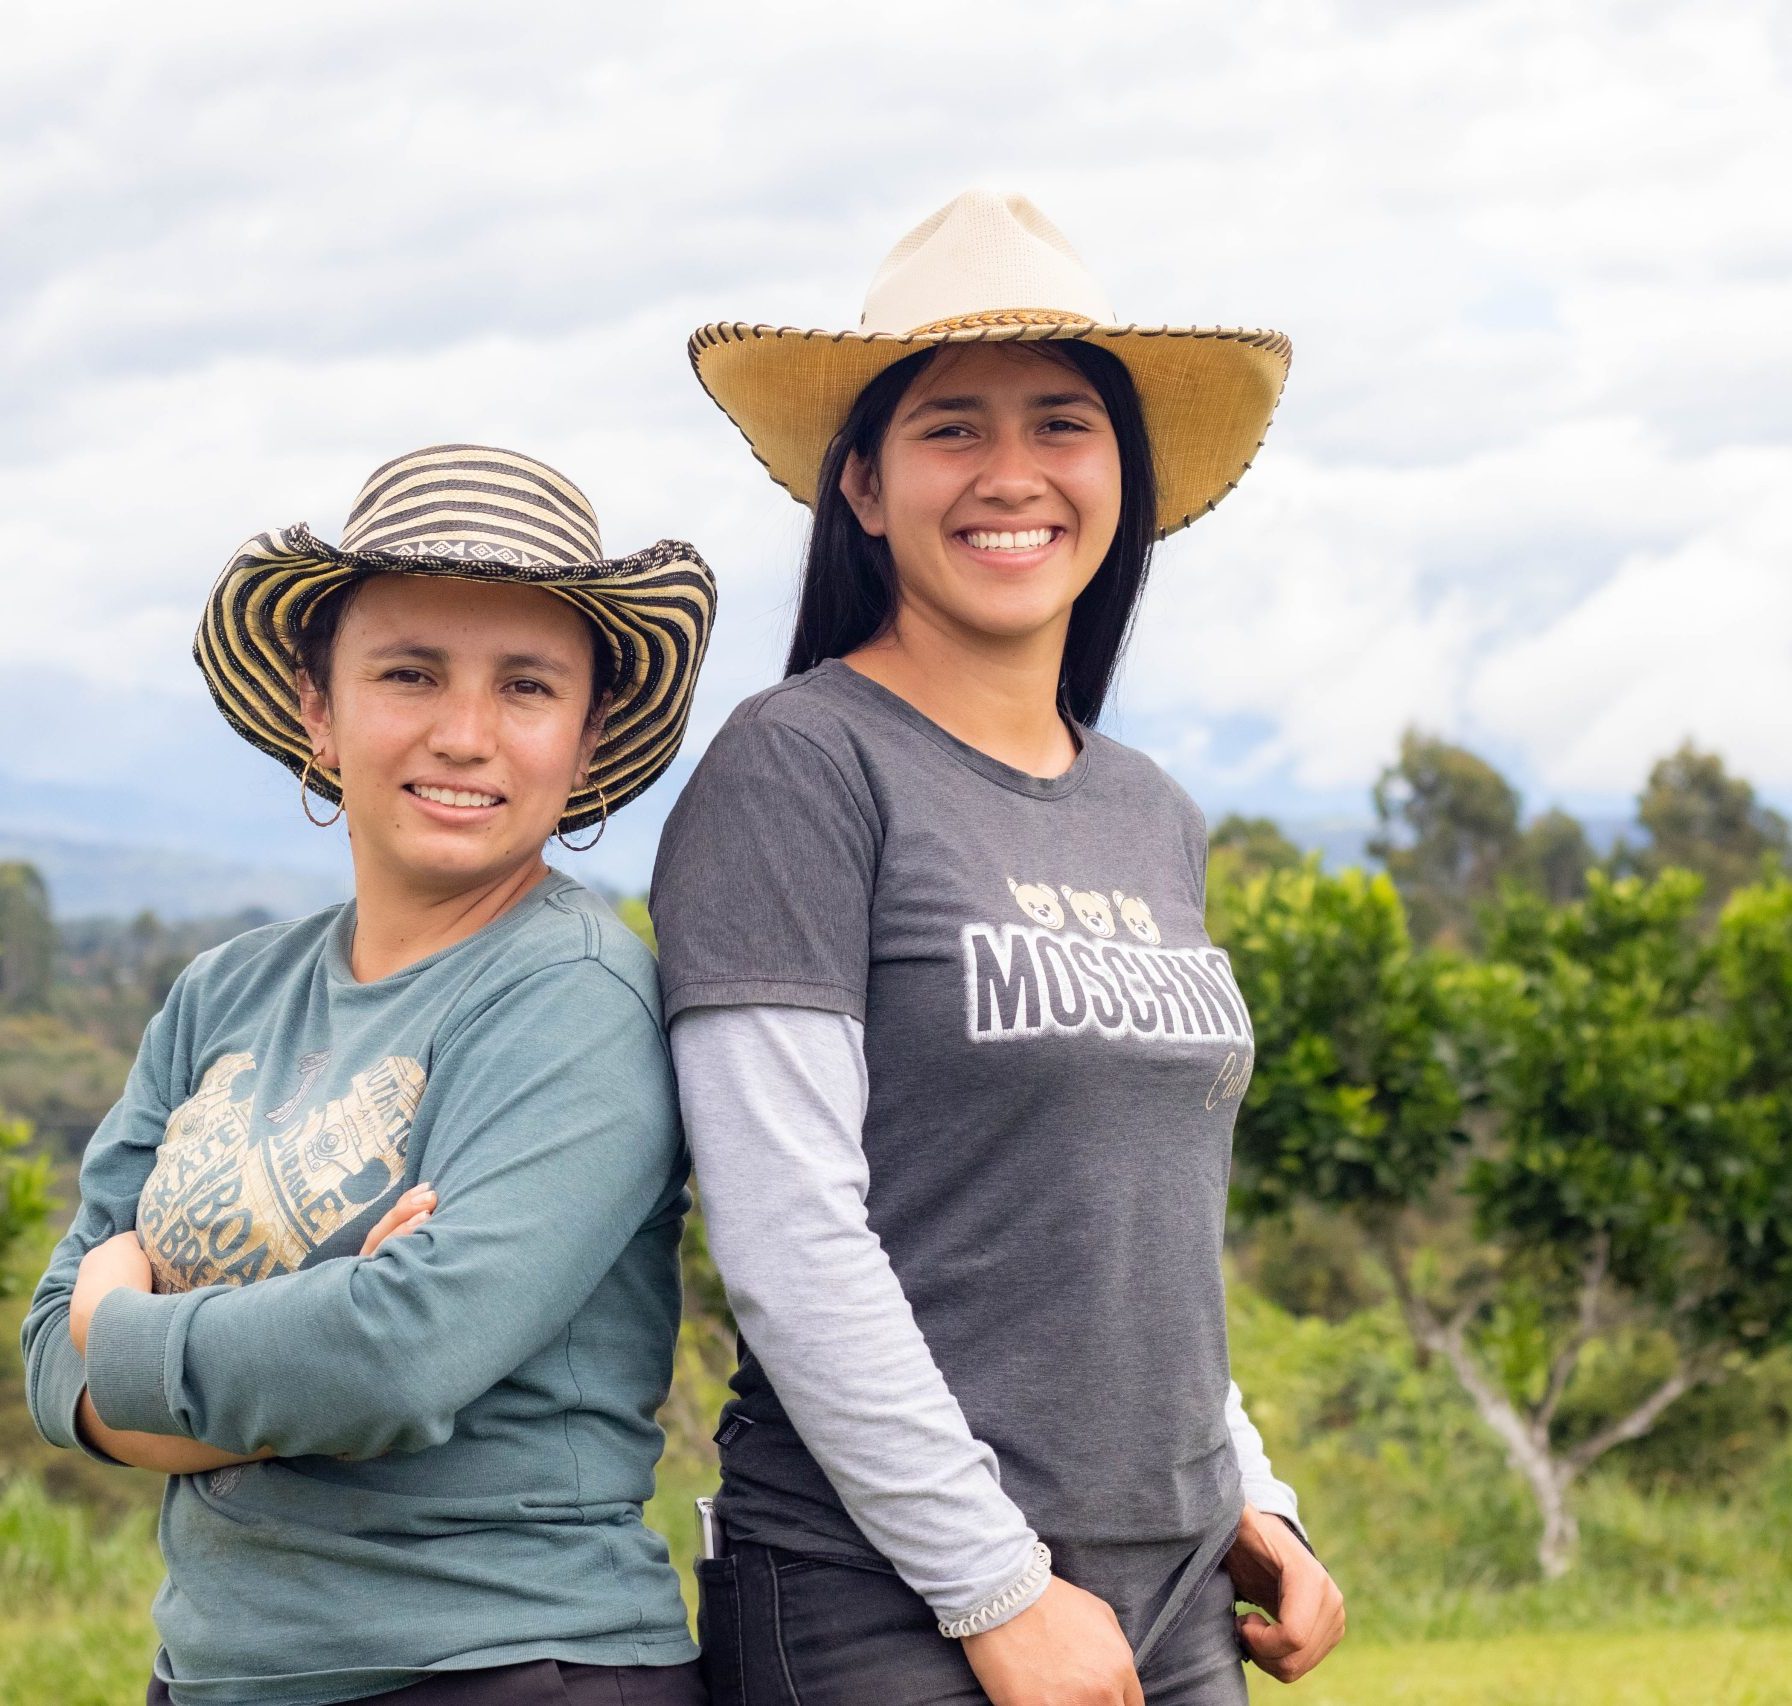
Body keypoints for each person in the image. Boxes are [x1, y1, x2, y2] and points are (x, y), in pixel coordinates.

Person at [653, 192, 1347, 1705]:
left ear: (1123, 475)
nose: (1014, 473)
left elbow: (1129, 1221)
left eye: (1062, 423)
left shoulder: (1147, 808)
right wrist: (994, 1585)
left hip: (1168, 1591)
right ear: (865, 488)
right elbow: (788, 1236)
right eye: (953, 428)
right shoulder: (799, 767)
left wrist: (1250, 1488)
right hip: (885, 1598)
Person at [21, 444, 718, 1706]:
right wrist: (302, 1338)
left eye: (527, 685)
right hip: (218, 1671)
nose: (465, 733)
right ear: (318, 706)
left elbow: (396, 1357)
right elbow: (44, 1361)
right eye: (408, 672)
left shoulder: (571, 995)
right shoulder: (223, 992)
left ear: (587, 729)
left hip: (501, 1665)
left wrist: (127, 1316)